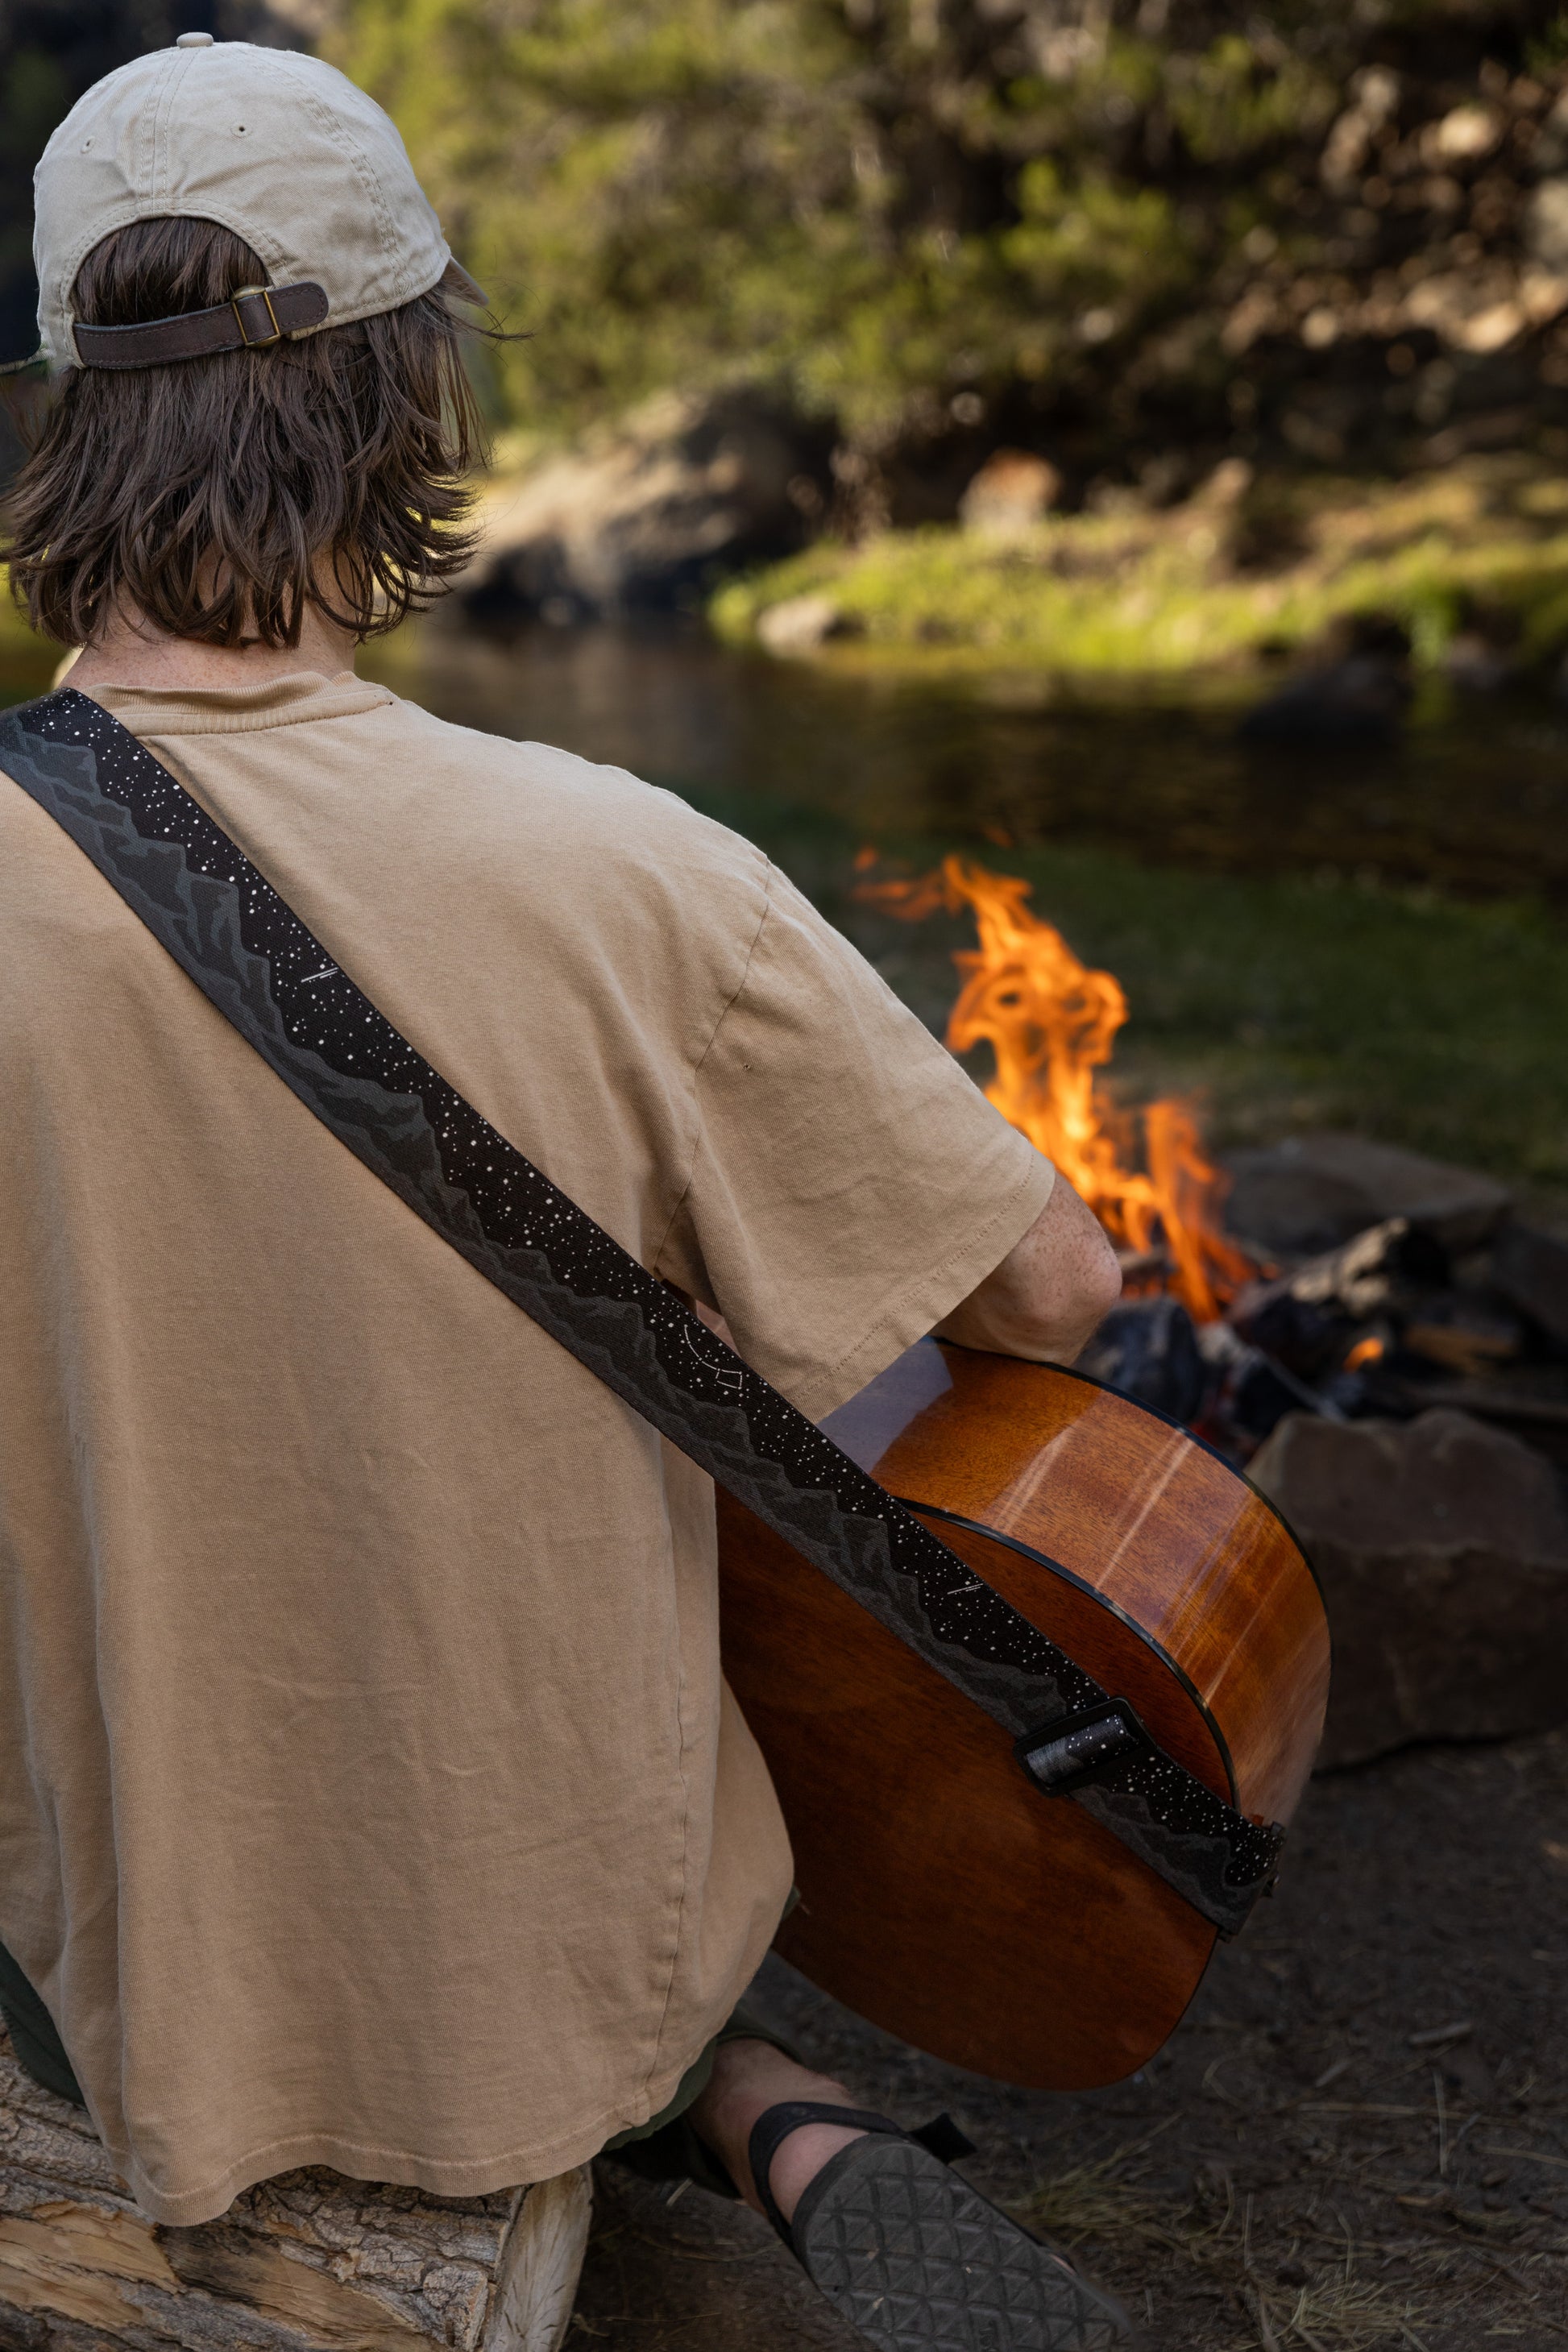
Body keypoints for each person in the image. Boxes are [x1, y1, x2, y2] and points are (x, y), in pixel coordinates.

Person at [0, 36, 1124, 2352]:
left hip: (77, 1988)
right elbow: (1054, 1288)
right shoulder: (628, 873)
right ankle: (764, 2109)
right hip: (518, 1996)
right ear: (403, 394)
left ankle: (738, 2105)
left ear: (65, 418)